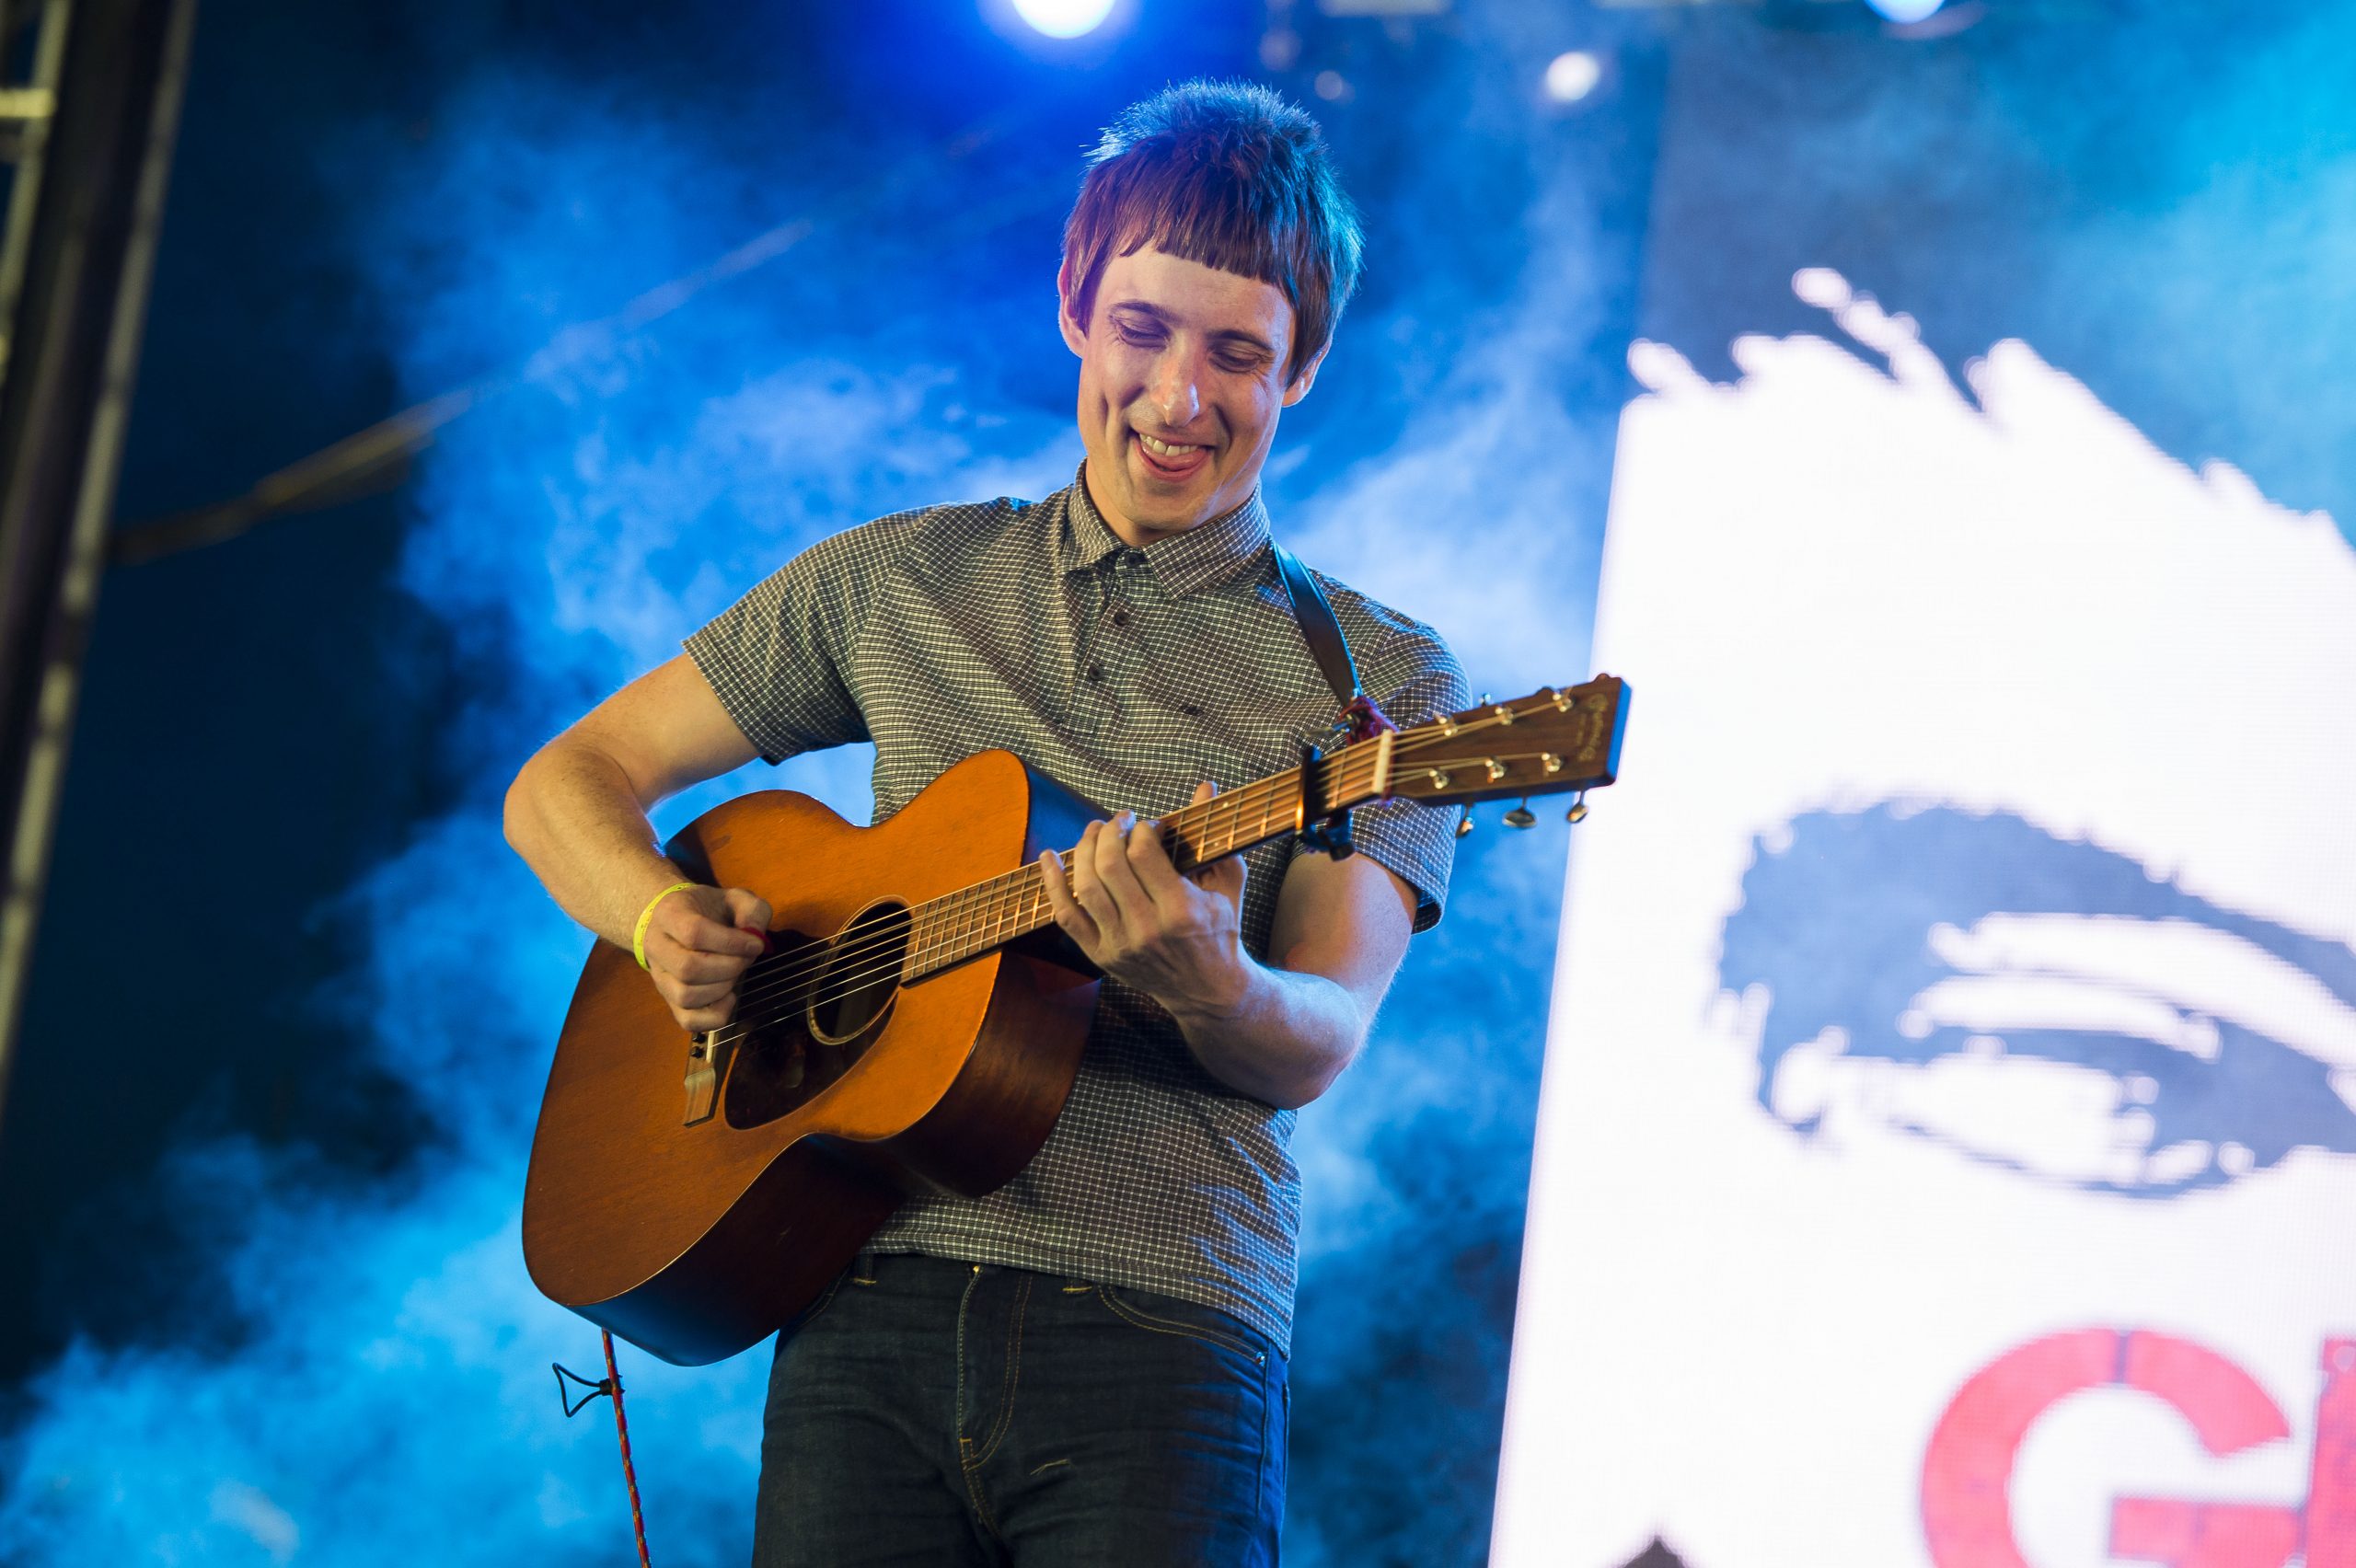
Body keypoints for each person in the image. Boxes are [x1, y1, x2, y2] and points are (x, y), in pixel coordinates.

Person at [503, 78, 1467, 1566]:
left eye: (1237, 355)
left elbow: (1323, 1035)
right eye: (1143, 331)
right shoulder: (900, 580)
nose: (1179, 399)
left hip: (1168, 1327)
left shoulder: (1383, 678)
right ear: (1076, 305)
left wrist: (1212, 981)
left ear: (1304, 371)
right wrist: (653, 916)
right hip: (856, 1303)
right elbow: (565, 782)